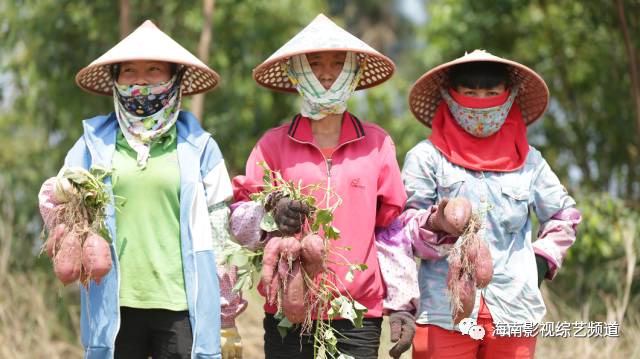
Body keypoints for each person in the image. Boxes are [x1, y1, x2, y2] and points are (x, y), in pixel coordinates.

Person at [37, 20, 245, 359]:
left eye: (153, 70)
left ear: (174, 78)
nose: (141, 80)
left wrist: (225, 308)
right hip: (114, 305)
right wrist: (63, 209)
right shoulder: (94, 144)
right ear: (115, 80)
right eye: (129, 71)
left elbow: (221, 228)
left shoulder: (199, 146)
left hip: (181, 305)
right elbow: (55, 194)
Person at [229, 14, 418, 359]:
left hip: (357, 312)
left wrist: (402, 302)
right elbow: (239, 220)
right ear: (296, 73)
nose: (327, 74)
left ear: (355, 71)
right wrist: (270, 210)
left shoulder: (376, 144)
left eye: (337, 64)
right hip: (290, 306)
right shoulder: (273, 145)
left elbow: (391, 230)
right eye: (314, 65)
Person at [401, 50, 582, 358]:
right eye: (470, 93)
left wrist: (540, 263)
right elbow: (404, 229)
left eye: (491, 93)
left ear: (507, 97)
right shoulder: (426, 157)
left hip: (514, 312)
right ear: (451, 96)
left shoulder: (530, 162)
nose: (480, 102)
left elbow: (564, 216)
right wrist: (437, 223)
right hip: (444, 312)